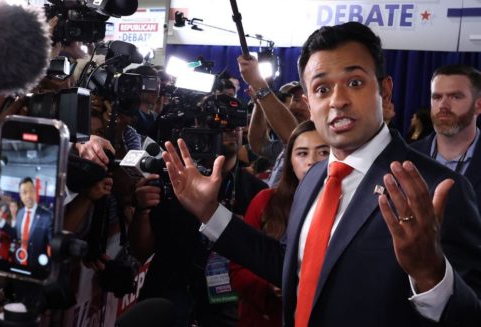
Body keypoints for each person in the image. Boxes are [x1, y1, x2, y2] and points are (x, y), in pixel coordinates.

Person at [161, 22, 481, 327]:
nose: (338, 101)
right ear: (308, 104)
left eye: (354, 83)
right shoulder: (314, 178)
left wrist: (431, 277)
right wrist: (209, 212)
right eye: (322, 88)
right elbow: (292, 265)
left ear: (384, 90)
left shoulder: (436, 188)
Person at [130, 120, 267, 326]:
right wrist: (142, 210)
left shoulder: (257, 191)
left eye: (234, 119)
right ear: (199, 126)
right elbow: (141, 252)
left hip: (225, 306)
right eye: (218, 120)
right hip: (167, 299)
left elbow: (265, 259)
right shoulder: (173, 180)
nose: (230, 128)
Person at [230, 120, 329, 327]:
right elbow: (238, 271)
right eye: (302, 153)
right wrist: (270, 284)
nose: (312, 161)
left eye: (323, 152)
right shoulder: (265, 201)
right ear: (290, 162)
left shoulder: (351, 205)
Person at [411, 64, 481, 210]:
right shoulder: (405, 156)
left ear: (478, 105)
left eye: (455, 97)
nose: (443, 105)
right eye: (436, 97)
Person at [15, 177, 53, 267]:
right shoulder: (19, 213)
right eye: (24, 192)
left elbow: (52, 243)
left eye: (31, 191)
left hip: (37, 266)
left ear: (35, 192)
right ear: (20, 196)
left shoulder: (47, 216)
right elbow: (17, 235)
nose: (28, 195)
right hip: (18, 262)